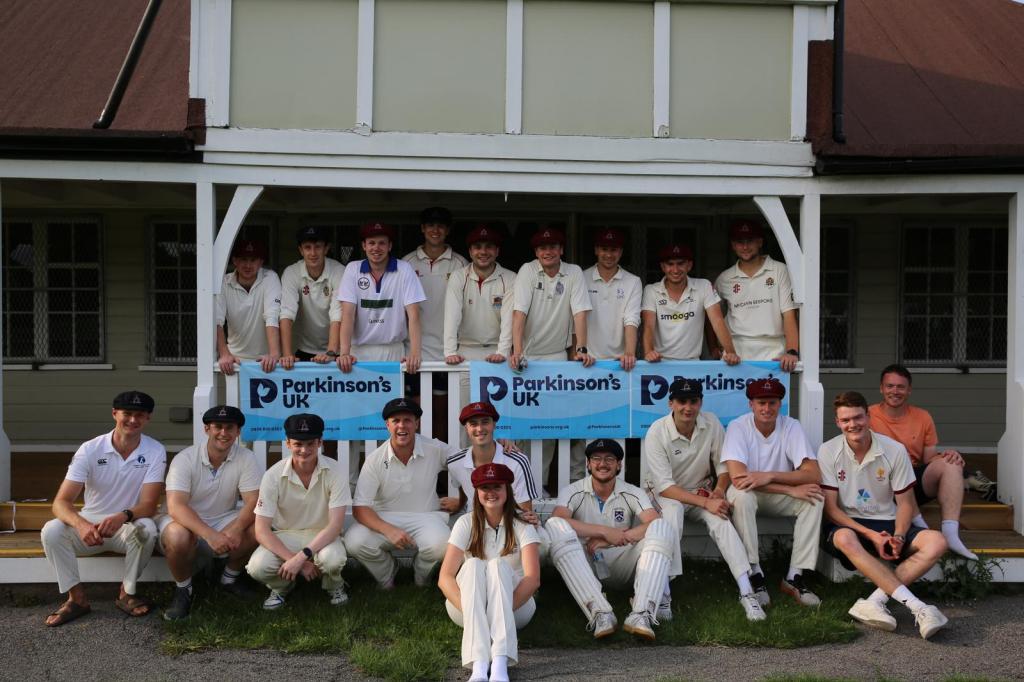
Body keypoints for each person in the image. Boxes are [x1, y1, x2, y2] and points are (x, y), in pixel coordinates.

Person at [821, 391, 950, 639]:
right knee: (845, 538)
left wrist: (899, 536)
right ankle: (917, 606)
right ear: (837, 422)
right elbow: (832, 510)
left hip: (888, 521)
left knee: (937, 541)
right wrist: (872, 535)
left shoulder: (894, 450)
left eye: (858, 417)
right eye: (845, 420)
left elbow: (905, 503)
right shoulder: (828, 451)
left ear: (869, 417)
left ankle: (874, 601)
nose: (852, 425)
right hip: (850, 524)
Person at [644, 378, 766, 621]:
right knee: (672, 514)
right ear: (671, 403)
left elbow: (723, 467)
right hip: (665, 496)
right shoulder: (657, 431)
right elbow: (665, 487)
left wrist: (719, 492)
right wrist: (707, 502)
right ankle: (664, 591)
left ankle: (746, 590)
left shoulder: (710, 423)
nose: (687, 407)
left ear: (700, 402)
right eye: (681, 401)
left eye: (693, 401)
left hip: (701, 492)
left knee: (721, 520)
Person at [40, 391, 165, 626]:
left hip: (127, 527)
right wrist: (81, 524)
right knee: (51, 531)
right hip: (89, 528)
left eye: (140, 415)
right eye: (126, 413)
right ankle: (76, 599)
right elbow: (61, 502)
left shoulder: (155, 450)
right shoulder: (90, 449)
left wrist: (123, 516)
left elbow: (149, 505)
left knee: (146, 529)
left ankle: (126, 593)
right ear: (114, 413)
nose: (132, 420)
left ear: (148, 418)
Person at [546, 440, 676, 640]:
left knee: (663, 526)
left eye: (609, 459)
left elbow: (654, 522)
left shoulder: (633, 491)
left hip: (624, 561)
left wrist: (620, 537)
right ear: (588, 464)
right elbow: (558, 519)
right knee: (555, 526)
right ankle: (600, 613)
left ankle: (642, 614)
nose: (602, 464)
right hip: (585, 563)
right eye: (596, 459)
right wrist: (604, 532)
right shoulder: (573, 491)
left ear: (619, 465)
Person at [721, 378, 824, 609]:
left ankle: (795, 576)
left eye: (772, 403)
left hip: (774, 494)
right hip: (752, 494)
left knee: (815, 498)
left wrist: (769, 476)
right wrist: (789, 488)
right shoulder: (738, 426)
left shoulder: (791, 426)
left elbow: (813, 474)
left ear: (780, 404)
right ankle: (754, 572)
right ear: (751, 404)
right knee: (741, 495)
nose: (767, 409)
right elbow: (738, 478)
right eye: (761, 403)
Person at [439, 463, 541, 682]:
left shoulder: (523, 524)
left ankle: (500, 663)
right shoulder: (465, 523)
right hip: (467, 607)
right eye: (485, 488)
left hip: (516, 606)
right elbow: (445, 577)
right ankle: (479, 665)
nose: (491, 493)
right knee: (474, 564)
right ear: (476, 492)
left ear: (507, 491)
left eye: (497, 487)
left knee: (497, 565)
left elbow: (532, 580)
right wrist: (478, 610)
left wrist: (497, 609)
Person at [159, 405, 261, 621]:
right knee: (178, 536)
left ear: (237, 432)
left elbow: (254, 501)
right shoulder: (185, 459)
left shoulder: (246, 457)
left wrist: (235, 528)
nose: (223, 433)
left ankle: (229, 579)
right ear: (207, 429)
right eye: (218, 427)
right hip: (184, 521)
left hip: (223, 518)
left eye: (230, 428)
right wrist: (209, 535)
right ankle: (183, 590)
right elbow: (176, 506)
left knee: (259, 527)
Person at [509, 226, 594, 484]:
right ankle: (518, 486)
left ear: (561, 250)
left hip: (556, 356)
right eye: (543, 248)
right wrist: (517, 350)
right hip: (528, 358)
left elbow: (580, 312)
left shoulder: (574, 272)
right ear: (536, 252)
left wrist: (581, 350)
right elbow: (519, 312)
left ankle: (541, 484)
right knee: (521, 425)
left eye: (553, 247)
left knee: (548, 425)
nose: (548, 252)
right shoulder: (527, 270)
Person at [868, 364, 976, 560]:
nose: (895, 391)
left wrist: (948, 455)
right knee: (892, 467)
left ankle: (951, 534)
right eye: (890, 386)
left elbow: (928, 459)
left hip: (915, 479)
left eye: (900, 387)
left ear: (909, 390)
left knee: (951, 464)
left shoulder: (922, 416)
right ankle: (922, 529)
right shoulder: (867, 416)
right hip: (882, 484)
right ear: (881, 388)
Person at [345, 398, 455, 587]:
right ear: (387, 425)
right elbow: (360, 508)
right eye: (396, 421)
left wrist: (461, 499)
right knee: (354, 542)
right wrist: (388, 530)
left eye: (408, 420)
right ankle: (387, 572)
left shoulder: (435, 449)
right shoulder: (375, 459)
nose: (402, 426)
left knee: (443, 544)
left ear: (417, 424)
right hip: (385, 518)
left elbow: (469, 461)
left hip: (425, 517)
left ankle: (421, 575)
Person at [246, 413, 350, 610]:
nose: (304, 450)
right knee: (257, 568)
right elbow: (261, 530)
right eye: (298, 444)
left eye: (310, 443)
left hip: (323, 533)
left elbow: (335, 525)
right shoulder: (273, 475)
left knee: (333, 561)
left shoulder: (335, 471)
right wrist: (295, 561)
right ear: (287, 443)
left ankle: (334, 585)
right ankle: (282, 586)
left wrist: (301, 557)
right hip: (286, 534)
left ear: (320, 442)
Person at [334, 222, 426, 374]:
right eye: (371, 243)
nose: (376, 248)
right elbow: (348, 315)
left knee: (394, 398)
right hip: (359, 353)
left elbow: (414, 315)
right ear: (364, 246)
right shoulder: (353, 269)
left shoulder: (404, 269)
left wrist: (415, 353)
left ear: (390, 246)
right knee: (361, 398)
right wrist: (344, 353)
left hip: (393, 351)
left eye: (382, 243)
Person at [443, 223, 515, 412]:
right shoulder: (459, 277)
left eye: (489, 247)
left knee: (500, 413)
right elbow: (452, 314)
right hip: (466, 351)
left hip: (498, 353)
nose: (483, 252)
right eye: (477, 247)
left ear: (497, 251)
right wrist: (450, 351)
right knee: (464, 412)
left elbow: (510, 319)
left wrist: (503, 351)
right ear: (470, 251)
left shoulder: (510, 278)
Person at [713, 219, 800, 372]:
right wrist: (716, 346)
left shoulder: (780, 270)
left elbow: (789, 315)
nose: (745, 247)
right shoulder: (724, 279)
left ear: (760, 242)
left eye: (750, 241)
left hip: (773, 351)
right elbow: (713, 317)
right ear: (733, 245)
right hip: (736, 353)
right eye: (740, 242)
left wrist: (792, 351)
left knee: (770, 396)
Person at [641, 243, 740, 365]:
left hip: (692, 363)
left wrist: (730, 352)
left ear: (689, 265)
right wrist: (649, 352)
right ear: (662, 267)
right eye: (670, 264)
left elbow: (717, 321)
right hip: (659, 362)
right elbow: (649, 326)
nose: (675, 270)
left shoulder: (704, 286)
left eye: (680, 263)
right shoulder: (651, 290)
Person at [442, 402, 539, 514]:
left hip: (511, 523)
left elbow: (525, 511)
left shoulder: (517, 461)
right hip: (474, 523)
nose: (479, 428)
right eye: (473, 424)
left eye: (485, 422)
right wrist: (460, 503)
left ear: (494, 424)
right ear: (466, 429)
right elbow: (463, 487)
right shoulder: (455, 463)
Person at [404, 206, 469, 367]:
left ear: (447, 230)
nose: (435, 230)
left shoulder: (461, 264)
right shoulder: (406, 263)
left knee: (445, 393)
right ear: (423, 228)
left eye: (440, 226)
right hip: (413, 348)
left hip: (449, 348)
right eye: (431, 225)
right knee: (414, 393)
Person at [279, 226, 345, 368]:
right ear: (300, 250)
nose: (313, 253)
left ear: (326, 249)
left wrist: (331, 352)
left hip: (337, 350)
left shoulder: (339, 270)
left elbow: (337, 313)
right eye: (307, 247)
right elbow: (286, 313)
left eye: (318, 247)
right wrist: (286, 354)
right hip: (304, 349)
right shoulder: (292, 272)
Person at [215, 239, 282, 375]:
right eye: (243, 259)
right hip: (235, 360)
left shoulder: (270, 278)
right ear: (235, 261)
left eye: (253, 260)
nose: (248, 265)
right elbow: (217, 321)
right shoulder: (224, 282)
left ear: (261, 262)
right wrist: (224, 354)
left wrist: (274, 354)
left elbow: (272, 317)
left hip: (265, 360)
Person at [583, 228, 642, 371]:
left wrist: (629, 353)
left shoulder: (633, 281)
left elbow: (631, 319)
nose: (609, 254)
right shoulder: (582, 278)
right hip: (587, 360)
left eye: (614, 249)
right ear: (596, 250)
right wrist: (579, 353)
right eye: (604, 249)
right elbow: (576, 319)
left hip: (619, 362)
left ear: (620, 252)